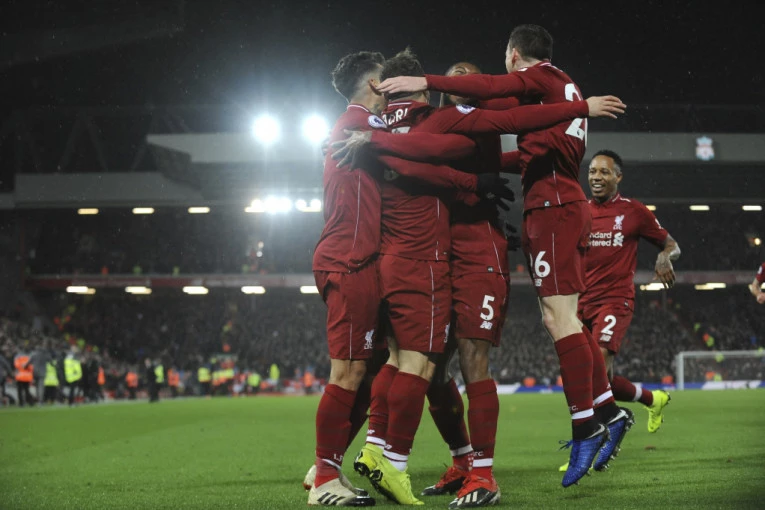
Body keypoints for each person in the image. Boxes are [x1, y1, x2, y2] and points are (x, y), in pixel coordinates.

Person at [339, 48, 624, 505]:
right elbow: (429, 151)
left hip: (478, 254)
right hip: (435, 258)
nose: (461, 81)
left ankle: (484, 474)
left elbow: (518, 121)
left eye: (468, 77)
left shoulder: (478, 127)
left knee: (473, 361)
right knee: (427, 368)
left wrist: (577, 110)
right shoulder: (429, 124)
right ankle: (456, 459)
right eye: (454, 76)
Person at [558, 150, 679, 472]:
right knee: (598, 379)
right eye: (592, 172)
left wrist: (664, 257)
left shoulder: (633, 211)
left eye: (604, 172)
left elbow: (671, 244)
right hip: (580, 303)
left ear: (618, 177)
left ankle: (593, 441)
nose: (596, 177)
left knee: (594, 366)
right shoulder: (579, 211)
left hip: (614, 300)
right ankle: (651, 399)